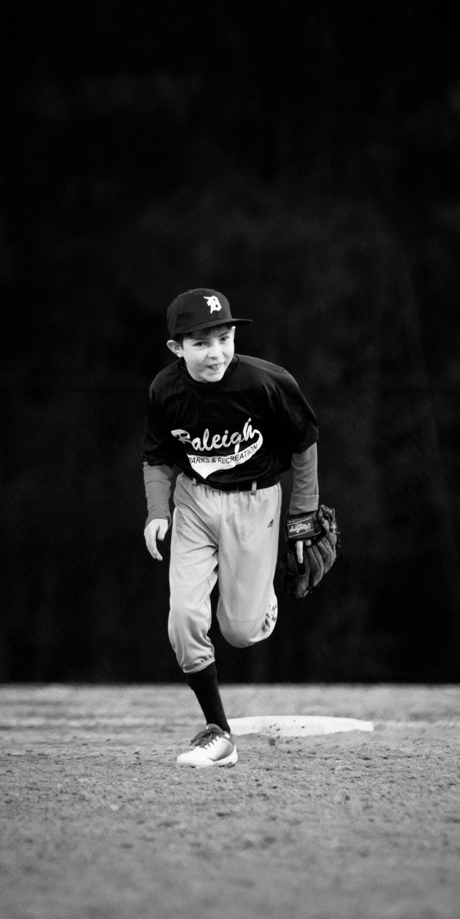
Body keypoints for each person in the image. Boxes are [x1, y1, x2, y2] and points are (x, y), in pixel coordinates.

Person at [141, 288, 322, 767]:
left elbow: (304, 444)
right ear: (176, 349)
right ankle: (218, 732)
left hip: (255, 500)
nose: (216, 351)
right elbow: (158, 457)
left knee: (241, 632)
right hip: (194, 503)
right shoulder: (165, 390)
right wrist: (158, 513)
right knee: (183, 619)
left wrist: (303, 515)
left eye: (224, 337)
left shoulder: (266, 383)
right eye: (200, 343)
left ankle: (260, 599)